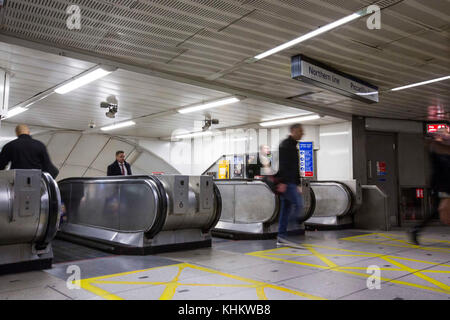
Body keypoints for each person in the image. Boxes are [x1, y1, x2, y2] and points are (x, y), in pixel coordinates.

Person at [409, 127, 450, 244]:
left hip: (446, 187)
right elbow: (431, 147)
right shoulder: (436, 153)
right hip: (441, 187)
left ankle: (416, 230)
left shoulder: (446, 153)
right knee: (438, 212)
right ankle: (416, 230)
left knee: (436, 212)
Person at [276, 123, 304, 247]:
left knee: (286, 209)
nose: (302, 134)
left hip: (292, 182)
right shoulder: (285, 145)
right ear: (293, 131)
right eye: (300, 131)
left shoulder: (293, 146)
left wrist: (298, 183)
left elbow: (295, 167)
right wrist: (282, 182)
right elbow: (283, 165)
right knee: (299, 204)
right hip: (287, 183)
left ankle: (281, 236)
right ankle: (294, 225)